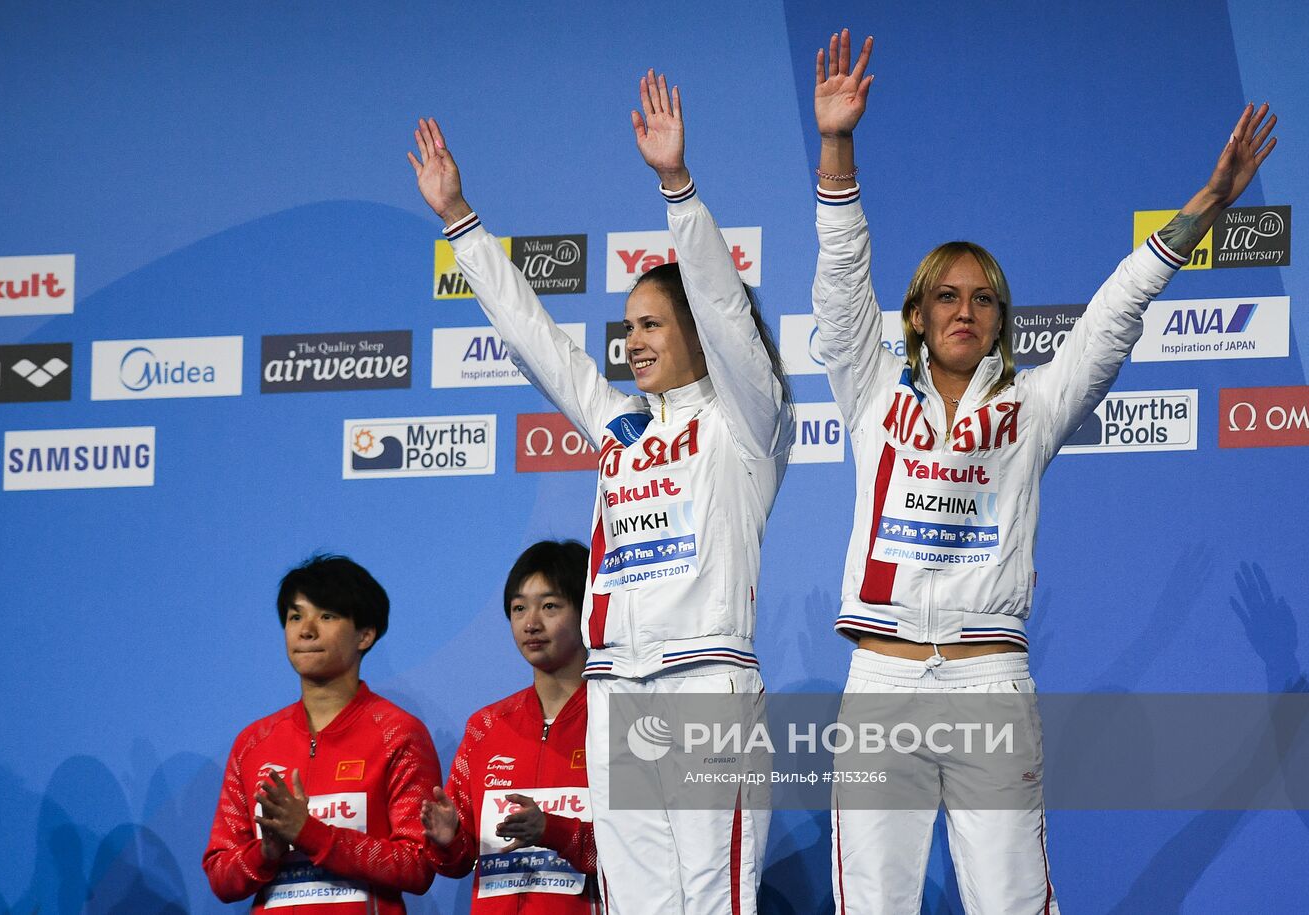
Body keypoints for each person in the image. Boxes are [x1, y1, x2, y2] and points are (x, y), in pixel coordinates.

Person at [809, 28, 1277, 915]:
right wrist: (837, 146)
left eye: (983, 298)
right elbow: (839, 282)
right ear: (914, 314)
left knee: (1015, 905)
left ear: (1000, 322)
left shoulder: (1030, 412)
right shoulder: (868, 389)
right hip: (881, 680)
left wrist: (1207, 205)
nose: (965, 309)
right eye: (946, 294)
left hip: (990, 682)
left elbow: (1114, 310)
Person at [407, 71, 793, 914]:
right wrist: (460, 223)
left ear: (696, 332)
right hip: (616, 694)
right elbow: (537, 338)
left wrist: (676, 188)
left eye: (651, 322)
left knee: (713, 902)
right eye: (627, 325)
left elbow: (728, 310)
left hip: (705, 688)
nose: (632, 339)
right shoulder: (621, 426)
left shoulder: (744, 426)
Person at [203, 555, 442, 914]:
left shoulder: (398, 734)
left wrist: (311, 834)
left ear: (365, 634)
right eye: (295, 616)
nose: (306, 630)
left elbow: (418, 863)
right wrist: (266, 852)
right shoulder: (254, 743)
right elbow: (221, 874)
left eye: (326, 616)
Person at [420, 540, 598, 912]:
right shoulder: (486, 727)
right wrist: (447, 838)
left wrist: (552, 830)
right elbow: (456, 862)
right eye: (519, 609)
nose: (531, 623)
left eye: (550, 606)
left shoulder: (621, 720)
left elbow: (642, 856)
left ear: (586, 613)